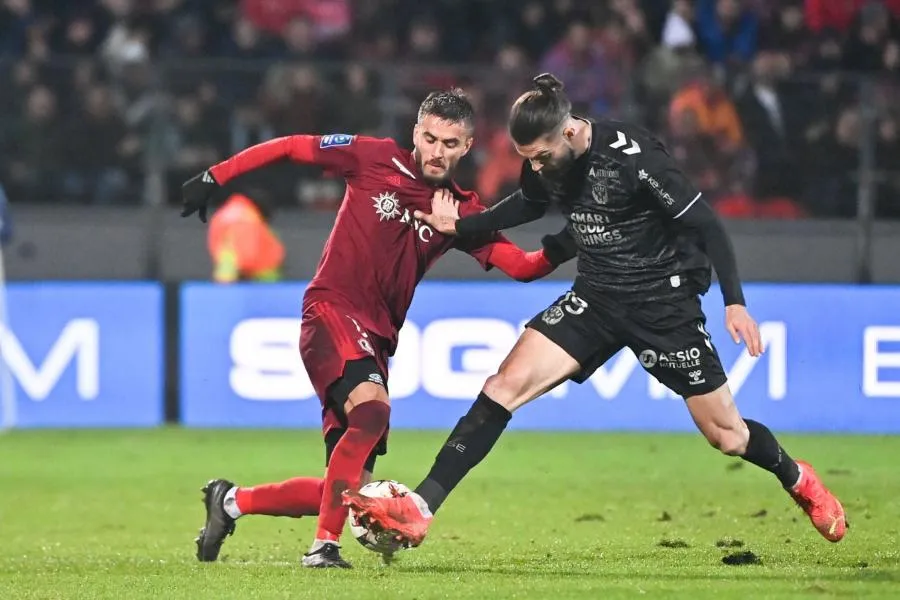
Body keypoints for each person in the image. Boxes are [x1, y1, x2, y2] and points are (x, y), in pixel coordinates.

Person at [343, 73, 847, 548]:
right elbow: (528, 204)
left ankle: (797, 478)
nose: (538, 167)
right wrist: (462, 227)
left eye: (542, 157)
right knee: (502, 387)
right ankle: (421, 507)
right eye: (528, 159)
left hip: (662, 305)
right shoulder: (544, 155)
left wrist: (734, 302)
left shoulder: (634, 157)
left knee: (728, 435)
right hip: (597, 298)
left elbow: (707, 224)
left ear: (568, 132)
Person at [179, 88, 576, 568]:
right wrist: (215, 175)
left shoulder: (461, 213)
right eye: (430, 138)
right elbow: (292, 146)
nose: (437, 151)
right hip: (331, 311)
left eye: (450, 144)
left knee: (348, 491)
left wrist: (573, 237)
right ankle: (323, 548)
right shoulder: (373, 158)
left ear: (467, 146)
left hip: (377, 341)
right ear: (416, 132)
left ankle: (230, 502)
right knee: (372, 412)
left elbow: (524, 267)